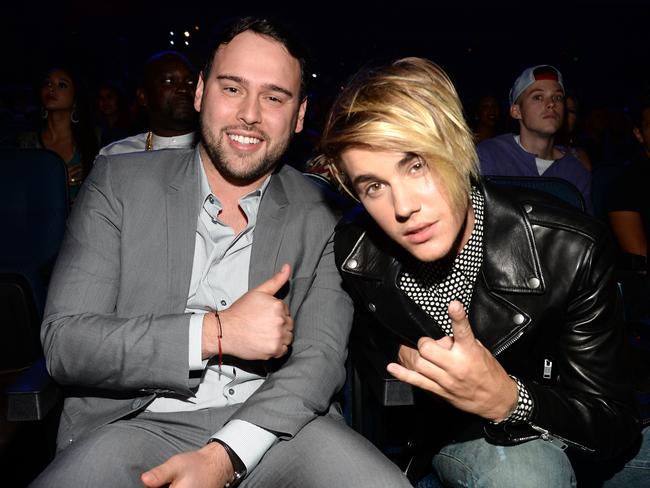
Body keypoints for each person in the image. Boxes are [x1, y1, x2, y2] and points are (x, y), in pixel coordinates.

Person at [31, 17, 411, 488]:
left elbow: (320, 360)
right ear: (200, 93)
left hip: (278, 428)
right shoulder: (118, 184)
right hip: (132, 423)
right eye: (232, 88)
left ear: (298, 115)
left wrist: (225, 455)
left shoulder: (324, 212)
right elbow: (68, 344)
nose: (250, 113)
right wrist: (216, 333)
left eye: (274, 97)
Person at [317, 57, 640, 487]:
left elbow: (613, 421)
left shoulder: (571, 247)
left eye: (416, 165)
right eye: (374, 186)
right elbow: (380, 387)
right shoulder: (359, 255)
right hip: (463, 437)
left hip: (582, 429)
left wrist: (510, 398)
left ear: (456, 146)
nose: (402, 207)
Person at [477, 64, 593, 213]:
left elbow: (585, 232)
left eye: (557, 97)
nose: (551, 104)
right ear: (517, 111)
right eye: (538, 97)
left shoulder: (575, 172)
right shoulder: (489, 156)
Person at [18, 65, 98, 200]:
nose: (51, 88)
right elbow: (17, 190)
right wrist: (54, 182)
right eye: (47, 83)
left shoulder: (95, 139)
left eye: (62, 85)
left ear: (75, 100)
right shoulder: (25, 142)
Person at [98, 51, 198, 155]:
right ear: (143, 97)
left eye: (190, 81)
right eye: (168, 81)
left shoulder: (212, 152)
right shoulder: (116, 156)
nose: (183, 89)